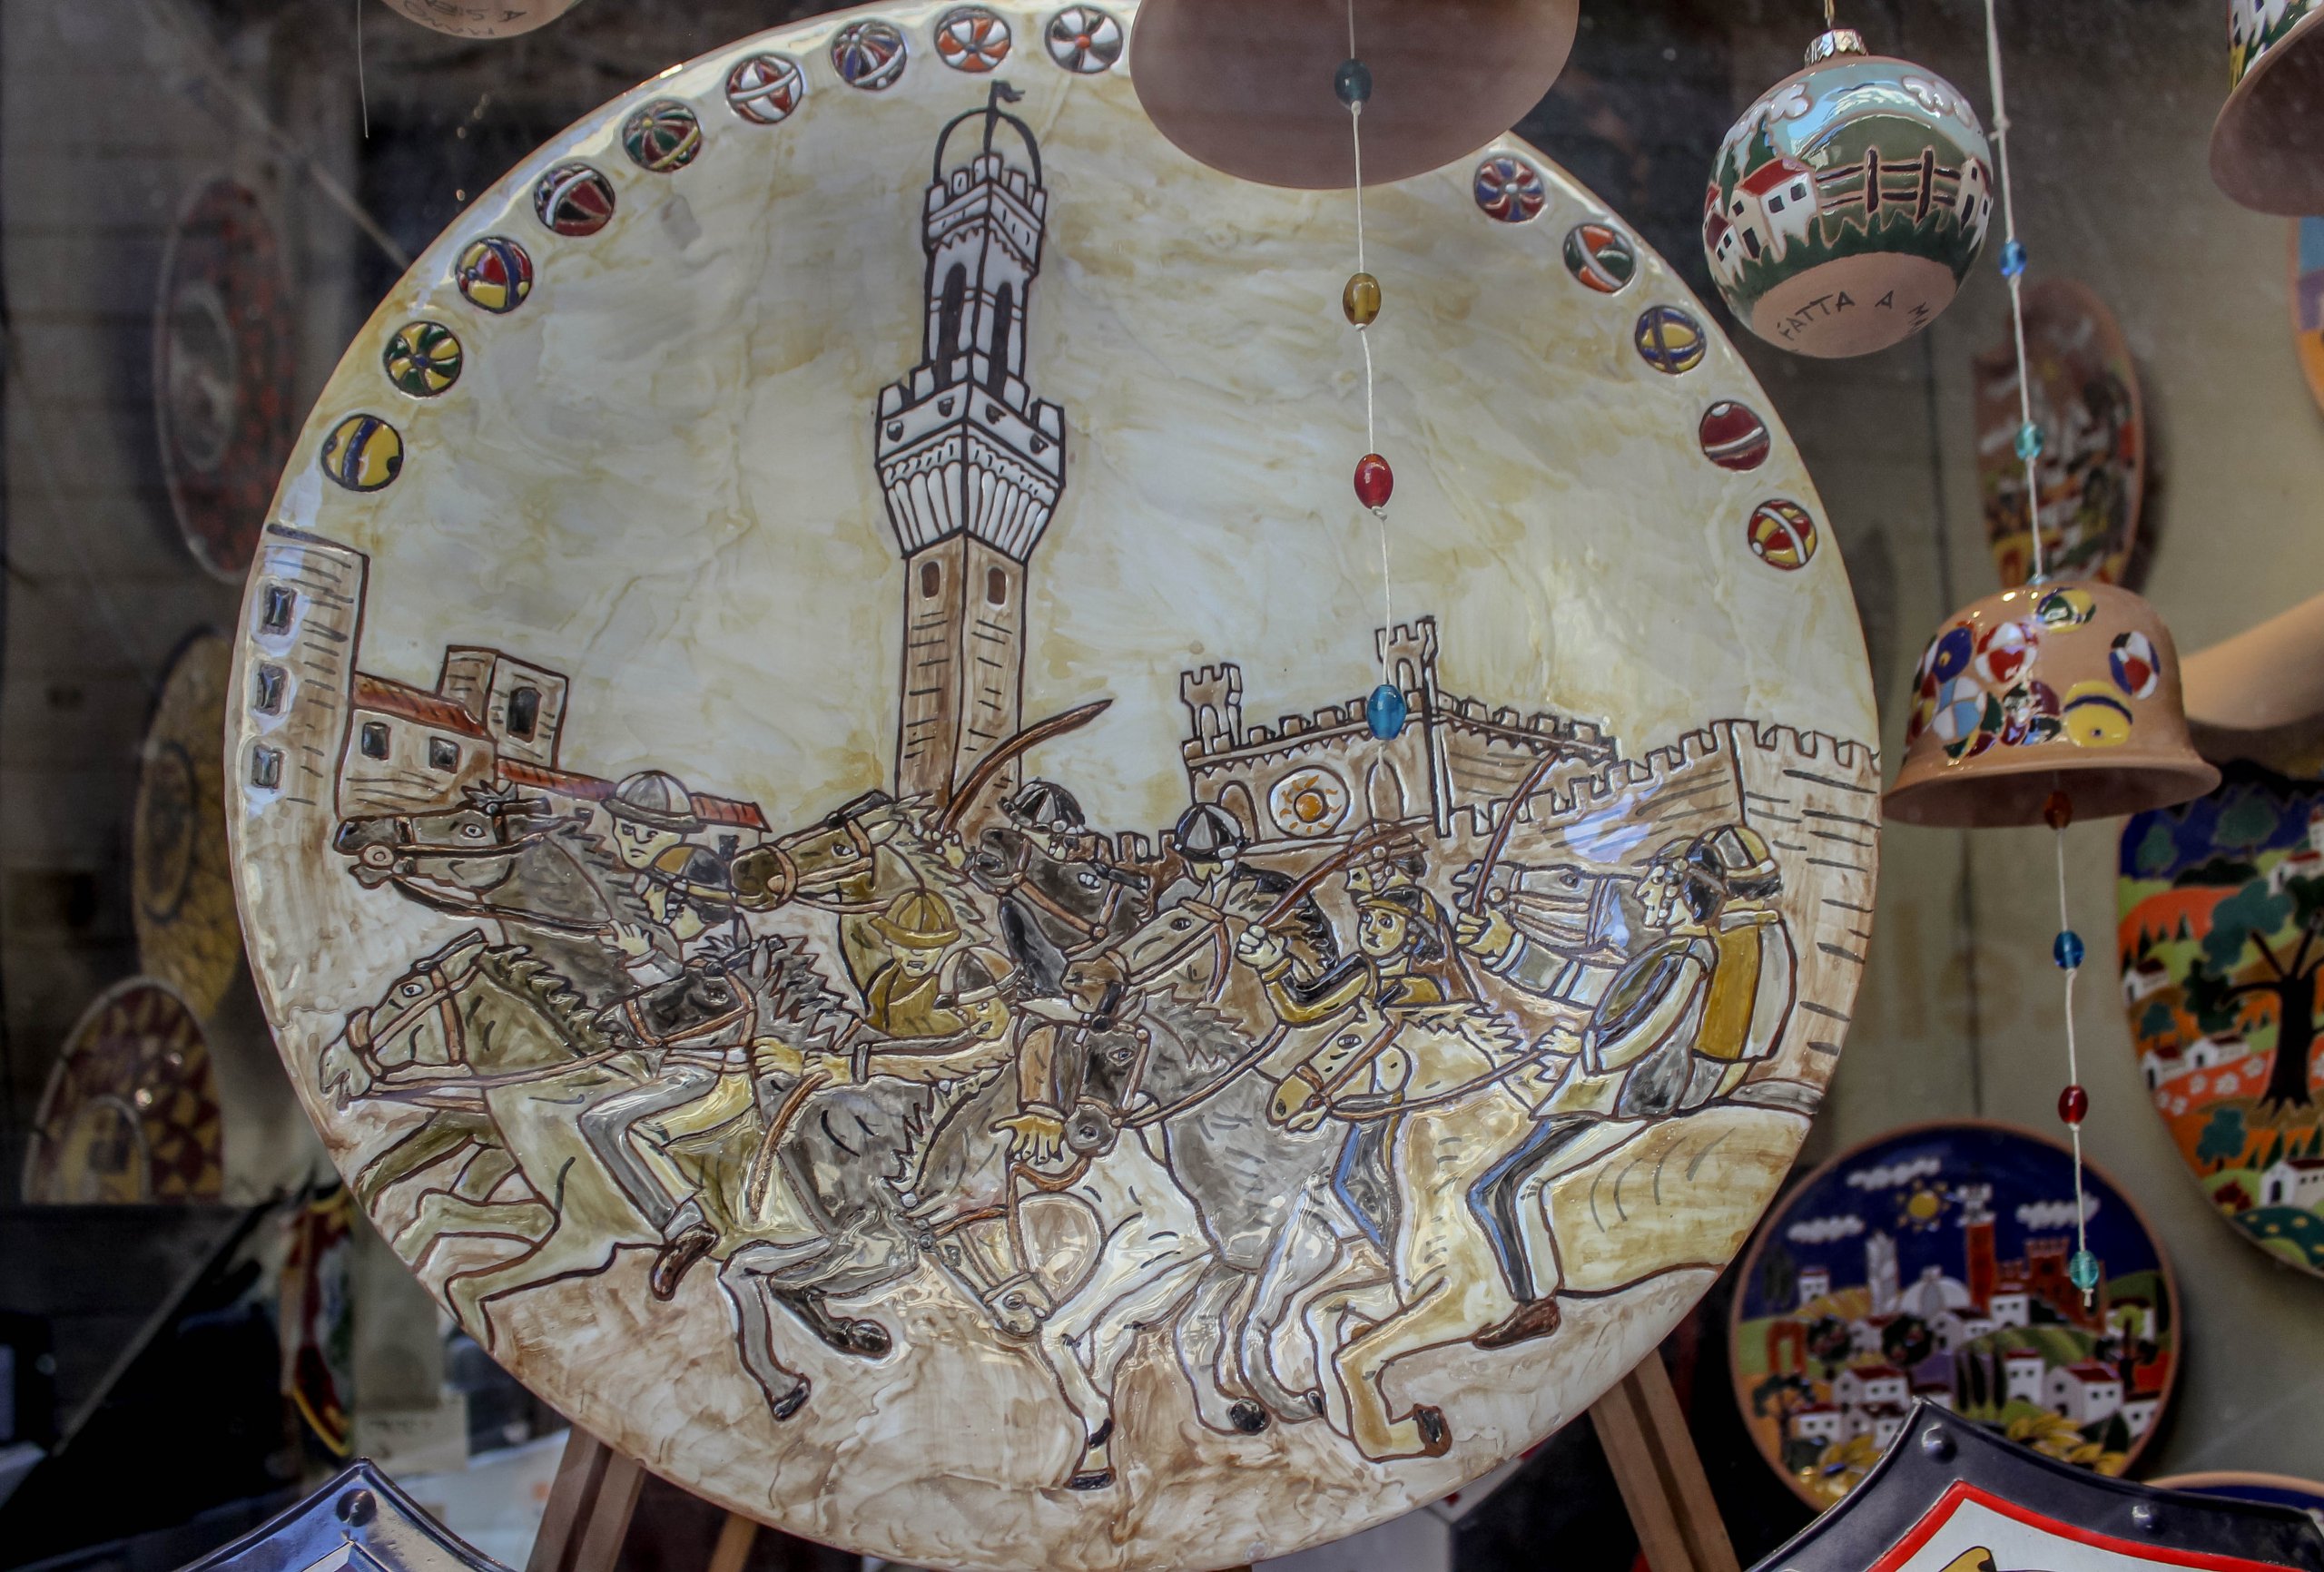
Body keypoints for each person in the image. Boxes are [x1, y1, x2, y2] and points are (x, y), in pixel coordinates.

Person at [1462, 824, 1795, 1350]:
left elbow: (1642, 1034)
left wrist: (1582, 1052)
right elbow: (1590, 988)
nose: (1643, 891)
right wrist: (1504, 948)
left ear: (1687, 890)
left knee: (1512, 1187)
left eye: (1655, 881)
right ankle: (1534, 1302)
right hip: (1603, 1094)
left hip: (1624, 1100)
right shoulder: (1668, 952)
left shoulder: (1687, 958)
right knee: (1493, 1189)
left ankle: (1536, 1304)